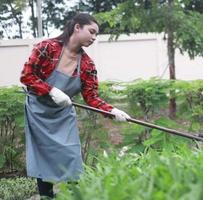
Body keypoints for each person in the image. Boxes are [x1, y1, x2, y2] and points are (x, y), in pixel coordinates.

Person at [20, 13, 130, 198]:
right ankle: (47, 197)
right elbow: (27, 76)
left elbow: (91, 97)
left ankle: (74, 196)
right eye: (92, 32)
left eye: (96, 34)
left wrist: (112, 110)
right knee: (43, 157)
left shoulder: (87, 64)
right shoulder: (46, 47)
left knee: (71, 156)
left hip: (63, 115)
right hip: (38, 112)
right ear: (77, 27)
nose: (94, 38)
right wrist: (50, 90)